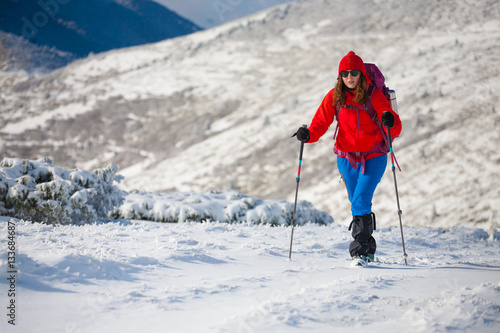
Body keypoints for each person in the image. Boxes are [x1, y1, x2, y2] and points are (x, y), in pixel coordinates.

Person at [295, 51, 402, 262]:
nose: (349, 77)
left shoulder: (374, 95)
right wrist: (307, 135)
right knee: (356, 201)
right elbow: (320, 122)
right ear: (340, 76)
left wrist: (389, 119)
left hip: (374, 156)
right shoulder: (335, 96)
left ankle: (360, 252)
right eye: (345, 73)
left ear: (361, 74)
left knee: (361, 199)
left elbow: (393, 125)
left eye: (354, 73)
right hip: (346, 157)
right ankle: (368, 246)